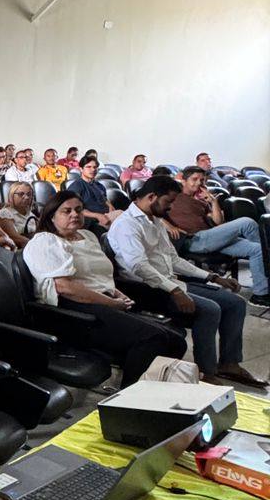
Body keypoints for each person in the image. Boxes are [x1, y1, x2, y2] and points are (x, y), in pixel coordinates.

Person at [109, 177, 262, 388]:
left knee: (236, 304)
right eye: (168, 201)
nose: (171, 207)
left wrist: (211, 276)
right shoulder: (127, 225)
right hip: (146, 290)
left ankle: (229, 363)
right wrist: (174, 290)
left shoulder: (154, 221)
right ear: (152, 197)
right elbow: (139, 267)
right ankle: (206, 372)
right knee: (210, 310)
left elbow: (174, 259)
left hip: (170, 283)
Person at [23, 191, 187, 385]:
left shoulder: (87, 236)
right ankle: (129, 398)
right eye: (66, 211)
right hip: (72, 313)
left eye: (78, 210)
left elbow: (99, 276)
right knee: (152, 338)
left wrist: (117, 294)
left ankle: (153, 389)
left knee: (176, 342)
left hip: (101, 301)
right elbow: (64, 287)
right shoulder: (46, 241)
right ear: (52, 216)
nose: (74, 214)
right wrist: (110, 302)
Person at [166, 168, 268, 304]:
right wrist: (170, 226)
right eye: (194, 179)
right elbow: (152, 211)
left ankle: (260, 295)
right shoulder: (173, 196)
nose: (199, 183)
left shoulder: (201, 201)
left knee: (258, 249)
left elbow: (218, 222)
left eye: (202, 180)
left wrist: (213, 202)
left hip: (211, 238)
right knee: (247, 222)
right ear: (184, 180)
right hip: (193, 240)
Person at [67, 157, 120, 230]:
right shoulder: (76, 186)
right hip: (92, 221)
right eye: (88, 167)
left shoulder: (99, 185)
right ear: (81, 169)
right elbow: (75, 209)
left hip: (107, 216)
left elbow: (104, 199)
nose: (92, 170)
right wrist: (98, 216)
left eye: (95, 167)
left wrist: (110, 206)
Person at [0, 181, 38, 245]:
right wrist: (36, 245)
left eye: (29, 194)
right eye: (21, 194)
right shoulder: (4, 214)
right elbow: (14, 237)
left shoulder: (31, 214)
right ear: (12, 195)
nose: (26, 197)